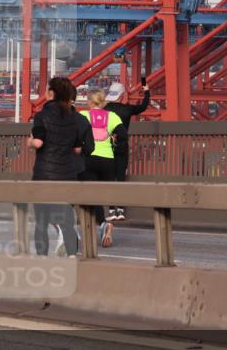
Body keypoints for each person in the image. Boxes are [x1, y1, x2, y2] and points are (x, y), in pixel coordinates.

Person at [30, 77, 94, 257]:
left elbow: (38, 142)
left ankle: (42, 258)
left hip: (43, 175)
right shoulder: (75, 119)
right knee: (67, 221)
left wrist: (29, 142)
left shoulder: (41, 116)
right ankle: (73, 256)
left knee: (41, 222)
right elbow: (77, 147)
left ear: (51, 93)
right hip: (67, 174)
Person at [80, 88, 126, 248]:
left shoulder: (84, 116)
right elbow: (123, 134)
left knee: (92, 194)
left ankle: (101, 224)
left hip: (89, 158)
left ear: (90, 102)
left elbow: (75, 133)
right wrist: (114, 141)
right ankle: (106, 222)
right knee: (105, 194)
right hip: (108, 160)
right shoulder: (112, 116)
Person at [104, 79, 150, 221]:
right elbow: (143, 107)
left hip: (107, 146)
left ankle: (111, 210)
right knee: (121, 177)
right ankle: (121, 209)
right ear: (122, 95)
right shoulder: (127, 109)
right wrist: (146, 90)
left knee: (110, 178)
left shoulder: (104, 110)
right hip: (122, 147)